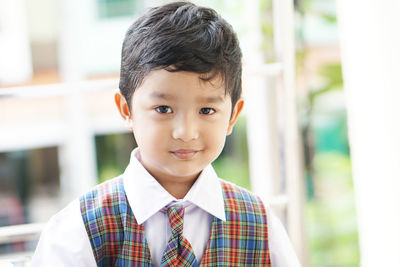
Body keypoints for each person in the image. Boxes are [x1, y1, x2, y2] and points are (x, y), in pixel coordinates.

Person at [31, 1, 301, 266]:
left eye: (207, 110)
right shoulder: (79, 228)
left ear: (232, 115)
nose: (186, 132)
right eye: (163, 108)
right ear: (126, 109)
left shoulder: (260, 224)